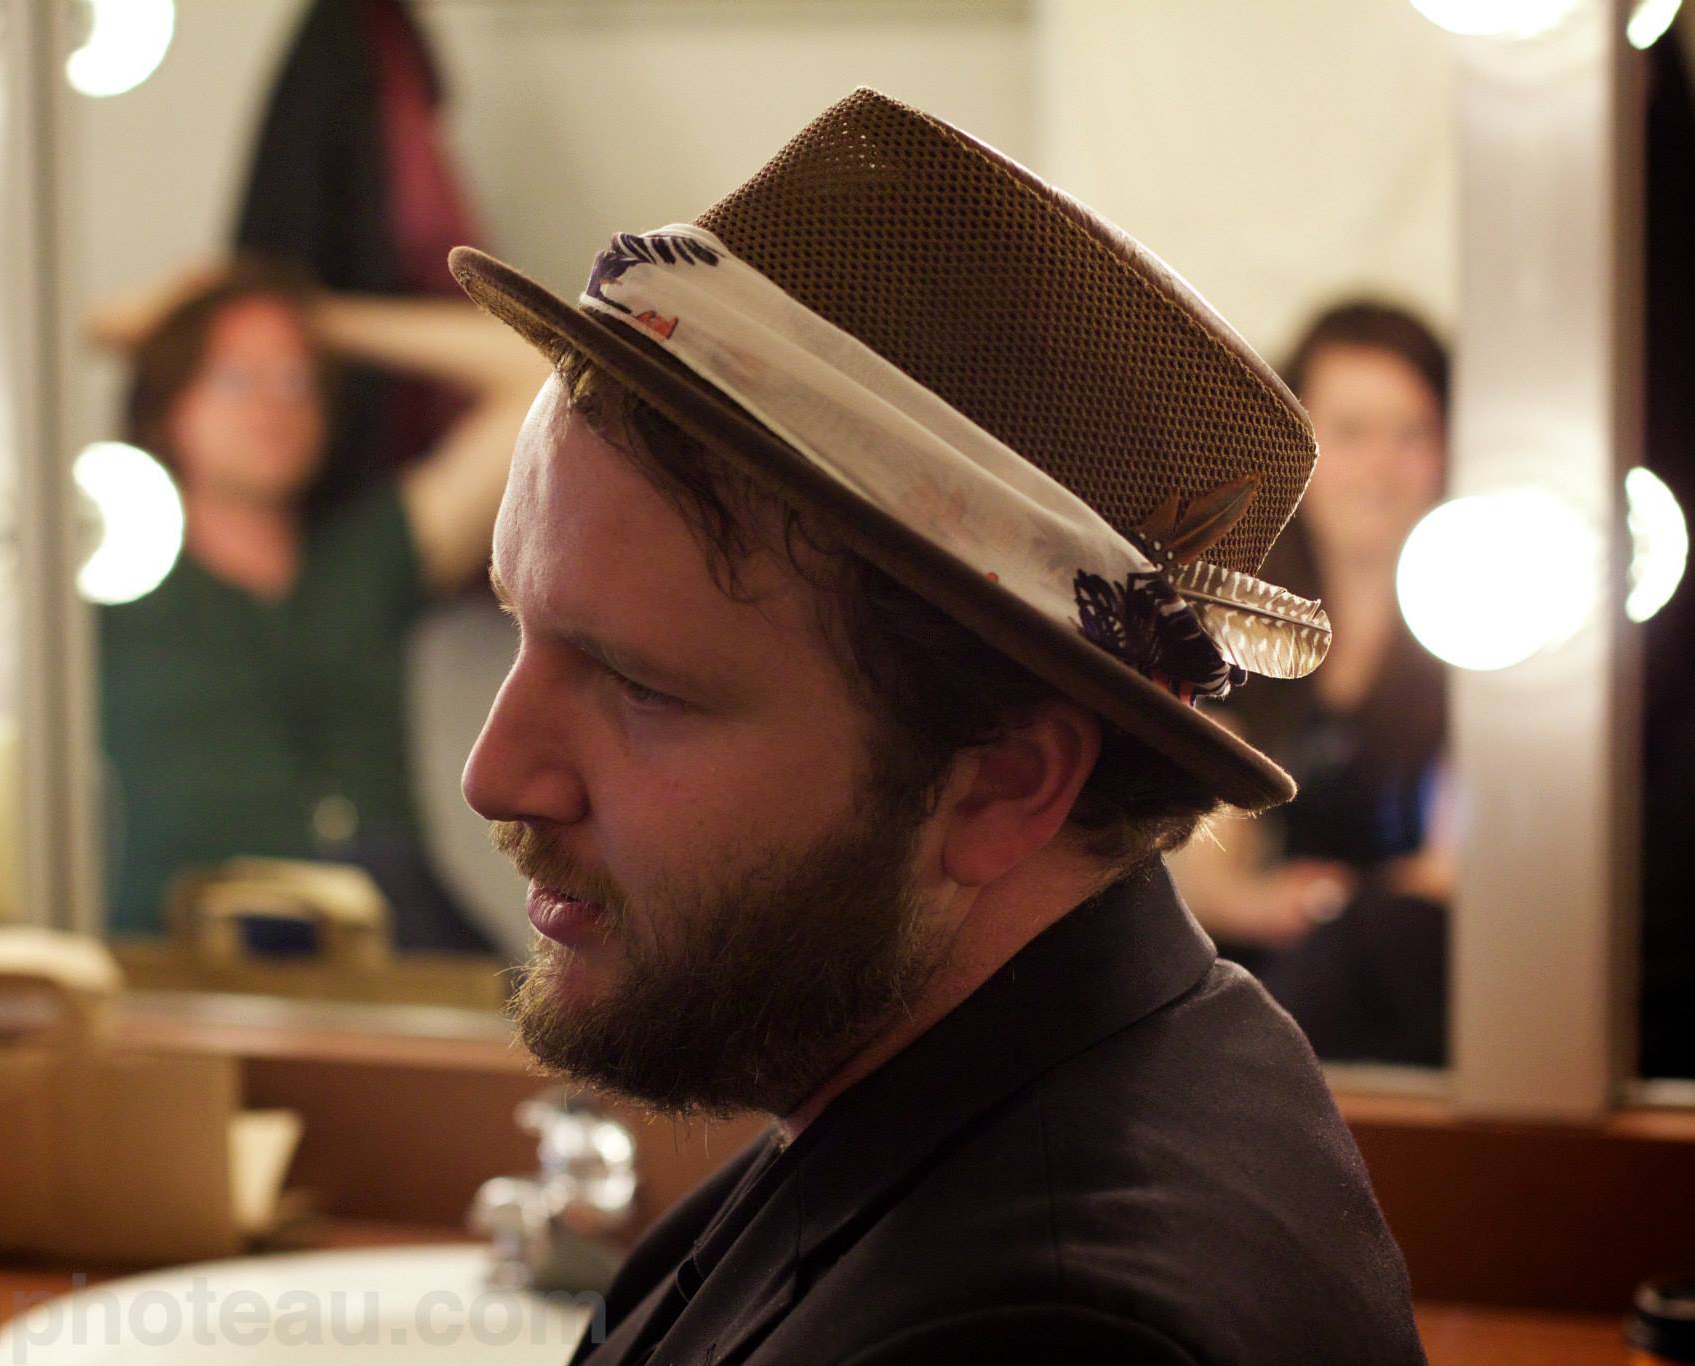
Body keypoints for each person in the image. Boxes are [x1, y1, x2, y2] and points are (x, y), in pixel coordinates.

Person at [450, 90, 1424, 1364]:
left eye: (640, 686)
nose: (494, 773)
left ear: (1002, 783)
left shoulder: (1053, 1329)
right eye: (518, 623)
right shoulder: (907, 1104)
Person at [99, 262, 544, 951]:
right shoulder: (107, 567)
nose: (272, 403)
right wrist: (134, 322)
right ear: (167, 408)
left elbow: (545, 373)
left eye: (296, 378)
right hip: (179, 949)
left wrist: (318, 318)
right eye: (235, 378)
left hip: (384, 945)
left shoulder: (366, 555)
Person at [1173, 302, 1454, 1065]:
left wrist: (1347, 910)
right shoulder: (1231, 626)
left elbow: (1457, 872)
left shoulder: (1487, 630)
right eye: (1351, 433)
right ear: (1299, 450)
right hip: (1271, 975)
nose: (1380, 468)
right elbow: (1207, 879)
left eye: (1411, 433)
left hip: (1420, 991)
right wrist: (1274, 904)